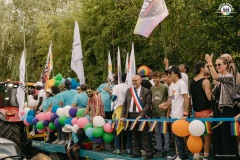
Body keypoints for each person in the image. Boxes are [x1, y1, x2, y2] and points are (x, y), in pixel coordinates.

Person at [205, 54, 239, 159]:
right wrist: (213, 112)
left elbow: (215, 76)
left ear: (226, 66)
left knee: (227, 138)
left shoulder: (229, 77)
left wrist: (209, 63)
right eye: (215, 65)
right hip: (218, 110)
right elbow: (214, 98)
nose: (217, 66)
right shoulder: (218, 82)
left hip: (227, 110)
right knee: (217, 138)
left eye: (219, 64)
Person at [159, 66, 189, 160]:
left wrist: (185, 114)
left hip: (180, 115)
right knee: (176, 136)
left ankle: (182, 155)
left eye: (170, 73)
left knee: (180, 136)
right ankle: (180, 154)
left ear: (176, 73)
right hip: (174, 115)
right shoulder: (173, 85)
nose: (169, 75)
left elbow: (186, 99)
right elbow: (172, 99)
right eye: (168, 74)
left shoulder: (181, 83)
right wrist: (165, 104)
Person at [120, 75, 153, 160]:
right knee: (134, 135)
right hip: (131, 116)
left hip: (142, 116)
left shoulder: (146, 91)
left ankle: (149, 152)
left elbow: (148, 105)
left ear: (140, 80)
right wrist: (122, 116)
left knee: (144, 135)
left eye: (135, 80)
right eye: (133, 81)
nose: (134, 82)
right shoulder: (129, 90)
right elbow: (125, 104)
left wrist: (141, 115)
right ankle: (136, 151)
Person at [190, 62, 212, 160]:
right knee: (207, 136)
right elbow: (209, 97)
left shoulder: (191, 81)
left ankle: (196, 153)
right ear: (202, 69)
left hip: (196, 112)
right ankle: (206, 156)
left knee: (197, 134)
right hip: (206, 112)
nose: (208, 68)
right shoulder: (206, 81)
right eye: (207, 67)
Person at [111, 73, 132, 155]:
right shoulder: (129, 87)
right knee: (128, 130)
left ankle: (117, 148)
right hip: (128, 110)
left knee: (116, 130)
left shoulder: (116, 86)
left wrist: (111, 95)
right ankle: (128, 148)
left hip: (119, 109)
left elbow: (113, 98)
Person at [150, 71, 169, 157]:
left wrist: (168, 112)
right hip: (154, 113)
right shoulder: (152, 88)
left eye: (156, 77)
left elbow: (169, 100)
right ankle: (159, 147)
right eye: (153, 78)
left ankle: (166, 148)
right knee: (157, 132)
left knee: (165, 131)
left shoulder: (165, 87)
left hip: (163, 113)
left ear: (160, 78)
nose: (154, 79)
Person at [81, 86, 105, 151]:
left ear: (93, 91)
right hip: (95, 117)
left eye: (89, 92)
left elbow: (98, 108)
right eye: (87, 92)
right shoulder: (89, 99)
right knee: (97, 132)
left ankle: (103, 146)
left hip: (99, 117)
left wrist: (95, 118)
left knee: (100, 131)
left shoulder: (97, 98)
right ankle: (100, 145)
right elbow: (87, 108)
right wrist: (82, 116)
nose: (88, 93)